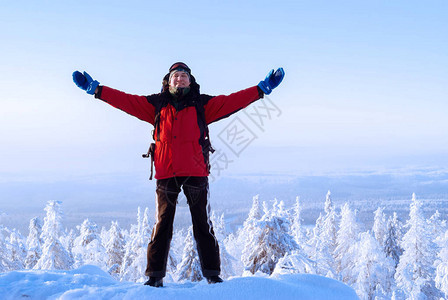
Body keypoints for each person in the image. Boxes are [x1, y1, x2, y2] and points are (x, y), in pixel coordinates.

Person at [72, 62, 285, 287]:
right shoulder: (157, 104)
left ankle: (212, 275)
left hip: (195, 172)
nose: (180, 79)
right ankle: (154, 277)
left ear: (190, 81)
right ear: (168, 80)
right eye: (176, 76)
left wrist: (261, 89)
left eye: (184, 76)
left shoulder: (202, 104)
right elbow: (126, 101)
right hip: (166, 172)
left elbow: (231, 101)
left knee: (203, 224)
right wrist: (96, 89)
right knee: (162, 225)